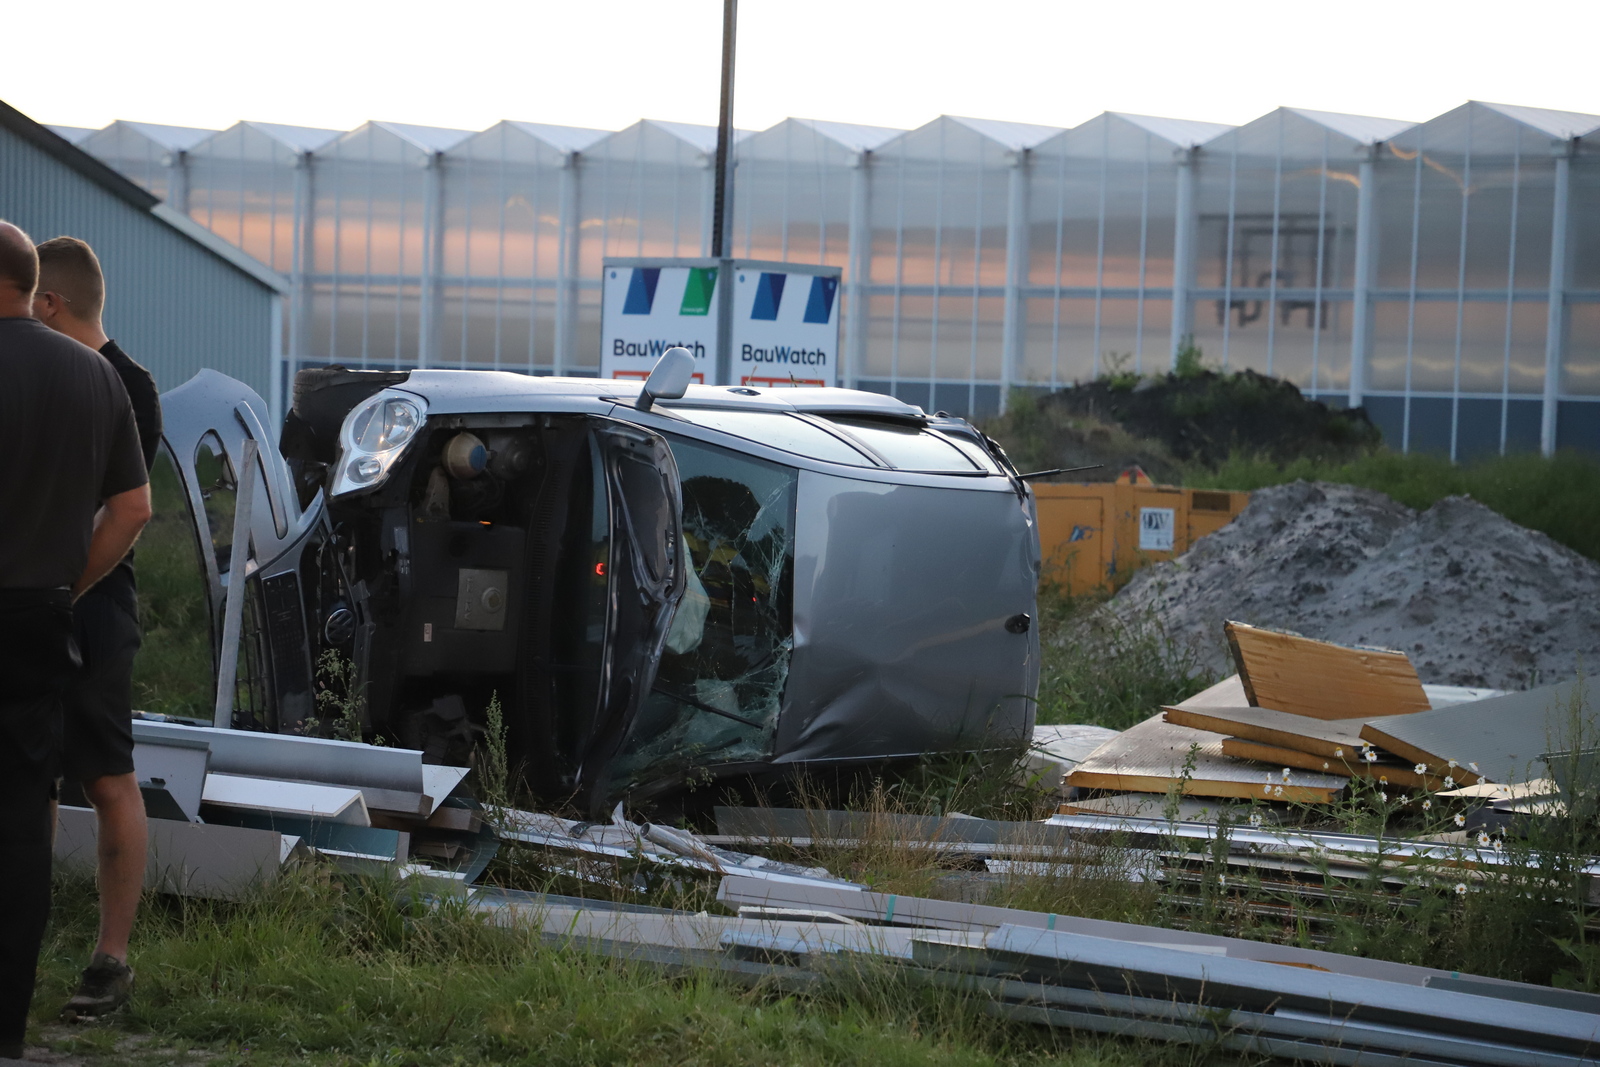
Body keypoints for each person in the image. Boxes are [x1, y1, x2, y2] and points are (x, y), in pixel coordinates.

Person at [0, 220, 150, 1060]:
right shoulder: (99, 379)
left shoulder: (106, 376)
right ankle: (11, 1021)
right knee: (26, 811)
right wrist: (64, 585)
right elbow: (133, 506)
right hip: (44, 616)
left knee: (88, 781)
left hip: (56, 610)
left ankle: (103, 958)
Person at [32, 236, 161, 1020]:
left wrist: (65, 589)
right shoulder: (50, 373)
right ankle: (27, 931)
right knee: (30, 775)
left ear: (50, 304)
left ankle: (111, 959)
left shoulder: (127, 386)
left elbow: (124, 512)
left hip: (93, 605)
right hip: (41, 599)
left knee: (106, 774)